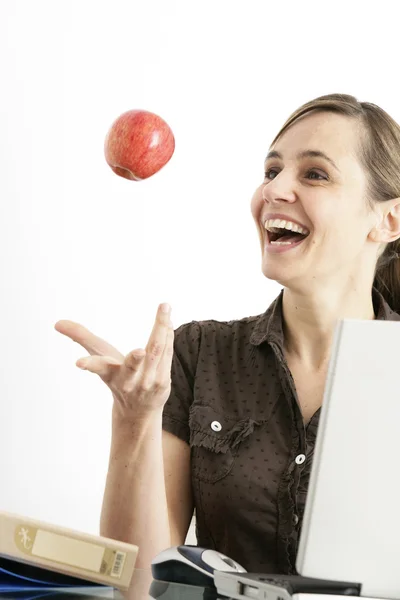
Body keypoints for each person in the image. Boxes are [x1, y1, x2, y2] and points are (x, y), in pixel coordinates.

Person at [55, 93, 400, 576]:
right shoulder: (198, 355)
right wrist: (135, 421)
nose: (275, 190)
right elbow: (136, 583)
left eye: (315, 174)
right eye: (271, 170)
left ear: (388, 220)